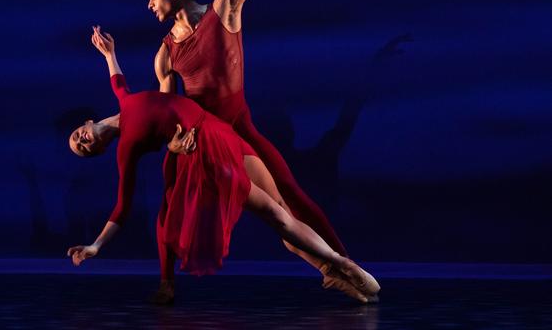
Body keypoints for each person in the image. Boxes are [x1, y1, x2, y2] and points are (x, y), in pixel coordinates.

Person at [66, 26, 380, 303]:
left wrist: (109, 53)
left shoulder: (123, 99)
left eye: (77, 138)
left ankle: (331, 271)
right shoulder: (126, 149)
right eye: (83, 149)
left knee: (283, 209)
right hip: (207, 150)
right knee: (276, 215)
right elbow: (122, 206)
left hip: (222, 132)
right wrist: (95, 245)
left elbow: (117, 80)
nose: (81, 142)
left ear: (87, 122)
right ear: (99, 150)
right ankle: (342, 263)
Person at [148, 0, 348, 291]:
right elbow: (168, 114)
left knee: (290, 201)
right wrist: (172, 143)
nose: (149, 4)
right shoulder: (165, 54)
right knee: (172, 202)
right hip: (207, 138)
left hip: (241, 127)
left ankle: (339, 267)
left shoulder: (224, 9)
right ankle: (166, 282)